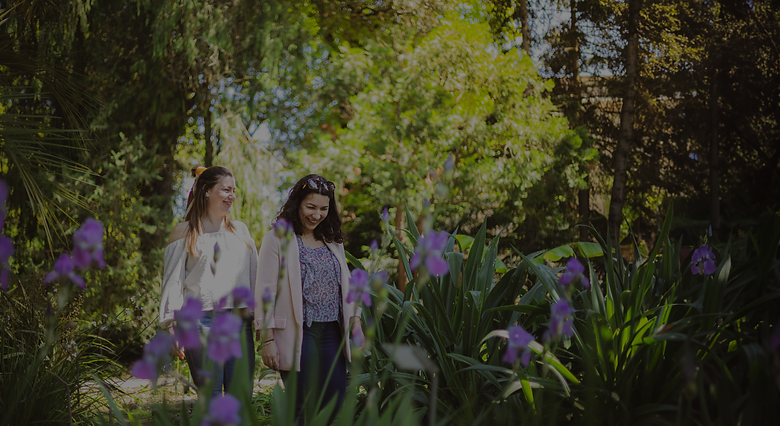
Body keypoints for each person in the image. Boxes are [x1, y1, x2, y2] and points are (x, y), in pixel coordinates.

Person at [255, 174, 364, 423]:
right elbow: (265, 290)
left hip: (332, 333)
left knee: (333, 400)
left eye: (324, 208)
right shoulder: (276, 239)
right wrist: (267, 338)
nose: (317, 215)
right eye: (311, 207)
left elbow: (346, 284)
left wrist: (356, 321)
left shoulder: (332, 241)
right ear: (297, 204)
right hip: (298, 332)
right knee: (300, 405)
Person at [159, 165, 258, 395]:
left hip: (239, 320)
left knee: (241, 398)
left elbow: (254, 277)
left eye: (234, 190)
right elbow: (172, 281)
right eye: (225, 190)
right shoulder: (185, 231)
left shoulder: (240, 231)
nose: (231, 196)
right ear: (206, 190)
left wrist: (262, 317)